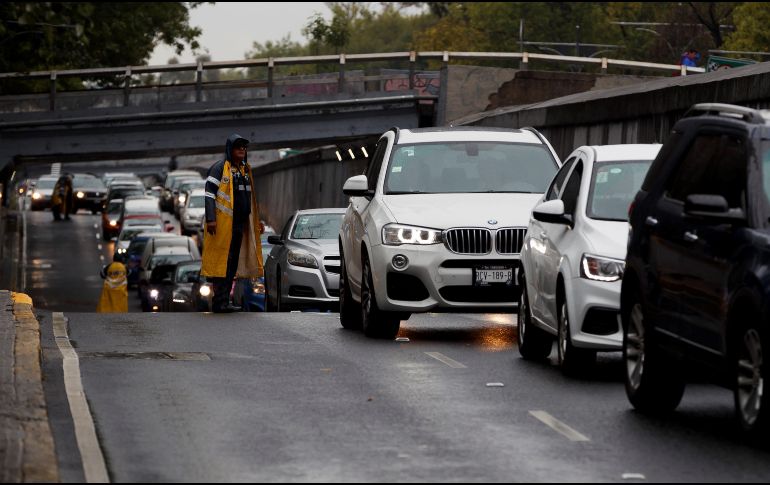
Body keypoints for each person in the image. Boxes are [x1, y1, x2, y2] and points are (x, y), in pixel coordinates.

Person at [201, 134, 264, 313]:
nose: (242, 150)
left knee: (232, 264)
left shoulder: (244, 170)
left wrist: (256, 222)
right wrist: (211, 219)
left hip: (239, 226)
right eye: (238, 147)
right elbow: (209, 194)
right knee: (222, 264)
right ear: (230, 149)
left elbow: (250, 200)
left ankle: (224, 301)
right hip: (222, 227)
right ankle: (219, 301)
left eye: (244, 147)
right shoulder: (220, 168)